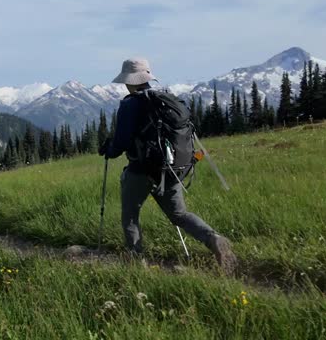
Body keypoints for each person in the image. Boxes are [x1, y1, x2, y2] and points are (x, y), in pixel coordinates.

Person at [98, 57, 237, 273]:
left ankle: (137, 262)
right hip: (172, 170)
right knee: (179, 214)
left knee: (130, 216)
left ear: (129, 81)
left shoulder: (130, 104)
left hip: (141, 171)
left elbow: (122, 142)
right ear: (147, 78)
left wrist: (109, 150)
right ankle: (213, 238)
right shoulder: (167, 100)